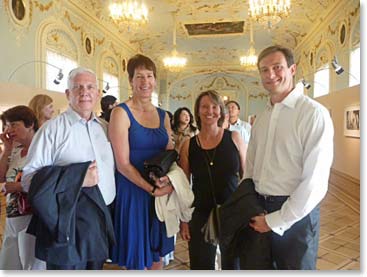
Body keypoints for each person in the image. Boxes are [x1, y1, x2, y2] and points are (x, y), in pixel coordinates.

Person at [246, 45, 334, 269]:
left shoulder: (313, 114)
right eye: (264, 70)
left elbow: (315, 182)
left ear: (292, 69)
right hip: (259, 209)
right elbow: (251, 166)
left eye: (277, 67)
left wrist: (276, 220)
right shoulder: (262, 117)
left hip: (296, 215)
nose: (270, 75)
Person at [22, 67, 116, 270]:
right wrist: (78, 179)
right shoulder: (52, 130)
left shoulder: (105, 128)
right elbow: (29, 179)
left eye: (90, 87)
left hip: (99, 218)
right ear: (68, 94)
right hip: (66, 221)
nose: (85, 92)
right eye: (78, 87)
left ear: (98, 93)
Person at [109, 54, 174, 270]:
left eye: (149, 76)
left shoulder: (164, 115)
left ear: (155, 80)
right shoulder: (121, 113)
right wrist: (151, 189)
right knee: (136, 256)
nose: (145, 82)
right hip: (133, 191)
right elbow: (122, 164)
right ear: (131, 81)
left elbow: (169, 154)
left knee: (157, 254)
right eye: (139, 76)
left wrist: (167, 182)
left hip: (159, 191)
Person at [179, 90, 247, 270]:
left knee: (233, 265)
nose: (210, 111)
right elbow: (184, 187)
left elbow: (247, 177)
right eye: (204, 106)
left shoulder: (234, 138)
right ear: (197, 111)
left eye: (214, 106)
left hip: (232, 211)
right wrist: (184, 220)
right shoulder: (188, 145)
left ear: (221, 110)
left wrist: (247, 211)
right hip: (201, 212)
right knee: (201, 265)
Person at [0, 105, 44, 269]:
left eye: (14, 125)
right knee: (7, 266)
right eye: (6, 125)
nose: (9, 129)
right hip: (13, 217)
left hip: (33, 217)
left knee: (31, 266)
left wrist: (18, 186)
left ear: (30, 124)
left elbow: (46, 182)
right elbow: (1, 177)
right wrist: (7, 149)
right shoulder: (16, 152)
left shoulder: (42, 150)